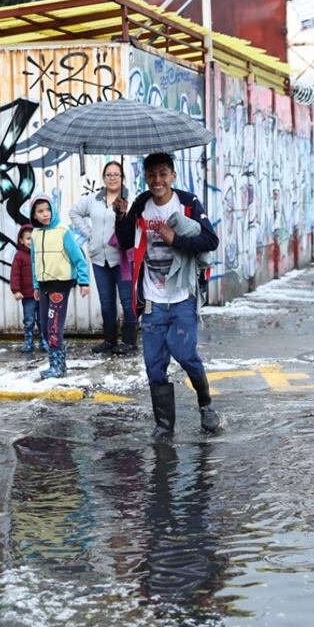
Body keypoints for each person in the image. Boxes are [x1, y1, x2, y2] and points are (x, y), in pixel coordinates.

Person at [114, 152, 220, 437]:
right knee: (154, 364)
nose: (157, 180)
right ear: (145, 177)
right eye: (151, 175)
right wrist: (121, 216)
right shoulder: (140, 205)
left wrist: (176, 240)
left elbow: (211, 240)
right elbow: (125, 241)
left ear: (173, 175)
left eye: (163, 174)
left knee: (185, 353)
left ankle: (205, 404)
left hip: (182, 294)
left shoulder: (187, 203)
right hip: (152, 299)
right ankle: (164, 425)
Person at [69, 161, 138, 355]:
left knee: (127, 300)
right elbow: (74, 212)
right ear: (103, 177)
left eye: (116, 174)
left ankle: (130, 340)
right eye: (109, 174)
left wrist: (124, 215)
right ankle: (110, 339)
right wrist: (89, 234)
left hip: (122, 259)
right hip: (99, 258)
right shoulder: (93, 199)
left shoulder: (130, 199)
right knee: (106, 301)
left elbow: (137, 225)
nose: (113, 178)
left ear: (122, 177)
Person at [29, 194, 89, 380]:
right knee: (46, 327)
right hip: (44, 285)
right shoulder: (35, 234)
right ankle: (58, 362)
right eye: (40, 211)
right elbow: (34, 261)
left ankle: (56, 366)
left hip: (60, 285)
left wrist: (83, 282)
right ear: (34, 215)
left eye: (48, 210)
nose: (45, 214)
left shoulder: (63, 231)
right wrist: (36, 285)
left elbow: (79, 258)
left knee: (54, 326)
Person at [10, 224, 46, 354]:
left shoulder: (41, 253)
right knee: (29, 319)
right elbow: (15, 274)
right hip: (27, 295)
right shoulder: (19, 256)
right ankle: (29, 342)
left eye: (34, 238)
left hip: (42, 294)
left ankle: (44, 341)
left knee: (43, 319)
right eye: (28, 239)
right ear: (21, 240)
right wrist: (16, 290)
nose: (32, 242)